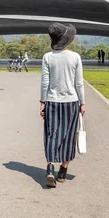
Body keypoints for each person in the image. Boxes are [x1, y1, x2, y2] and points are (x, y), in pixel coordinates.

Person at [40, 23, 86, 188]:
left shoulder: (47, 57)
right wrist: (82, 103)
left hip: (52, 101)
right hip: (71, 102)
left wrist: (42, 102)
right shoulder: (75, 57)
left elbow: (45, 83)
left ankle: (50, 169)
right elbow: (79, 83)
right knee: (68, 136)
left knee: (51, 135)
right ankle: (63, 172)